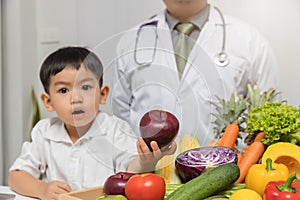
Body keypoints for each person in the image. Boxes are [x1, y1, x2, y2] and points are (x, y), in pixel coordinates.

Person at [8, 46, 176, 200]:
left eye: (86, 87)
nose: (76, 98)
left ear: (102, 94)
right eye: (63, 90)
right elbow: (16, 176)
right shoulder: (45, 132)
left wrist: (146, 161)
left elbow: (131, 170)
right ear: (48, 101)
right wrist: (42, 189)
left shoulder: (114, 129)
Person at [110, 0, 279, 146]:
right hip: (147, 174)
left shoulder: (249, 41)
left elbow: (267, 115)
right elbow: (121, 113)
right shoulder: (131, 41)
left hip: (224, 173)